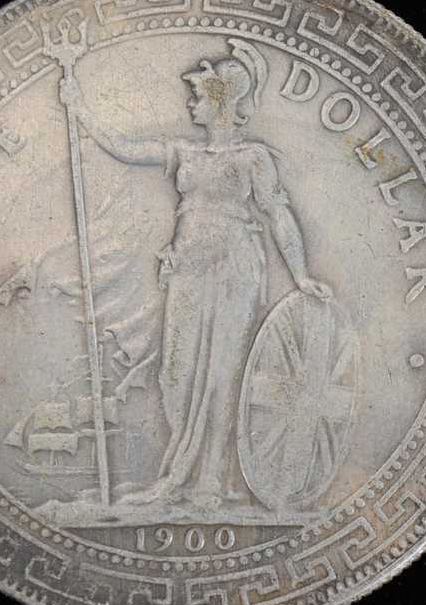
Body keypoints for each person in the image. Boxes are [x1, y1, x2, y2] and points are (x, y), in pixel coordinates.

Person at [58, 37, 331, 509]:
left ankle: (209, 481)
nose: (190, 104)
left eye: (199, 96)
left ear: (222, 102)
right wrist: (77, 107)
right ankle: (177, 476)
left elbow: (279, 214)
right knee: (176, 373)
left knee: (223, 372)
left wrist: (301, 275)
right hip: (187, 269)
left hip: (236, 267)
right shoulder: (184, 152)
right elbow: (123, 149)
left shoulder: (252, 158)